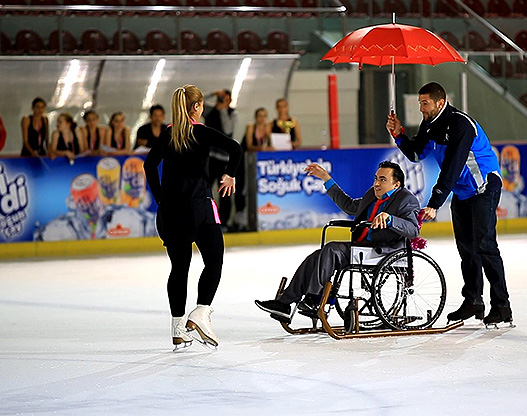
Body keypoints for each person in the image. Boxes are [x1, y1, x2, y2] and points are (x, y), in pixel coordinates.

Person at [386, 82, 513, 326]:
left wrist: (435, 202)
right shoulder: (429, 124)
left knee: (485, 245)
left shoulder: (460, 124)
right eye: (420, 103)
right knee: (466, 248)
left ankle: (502, 306)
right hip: (462, 191)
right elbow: (416, 154)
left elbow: (452, 167)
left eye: (425, 103)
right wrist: (399, 134)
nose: (421, 108)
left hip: (483, 186)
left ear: (440, 103)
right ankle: (473, 300)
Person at [255, 161, 419, 323]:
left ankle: (315, 298)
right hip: (362, 248)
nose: (376, 183)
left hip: (384, 250)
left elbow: (413, 229)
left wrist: (390, 219)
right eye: (376, 178)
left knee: (332, 249)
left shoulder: (406, 199)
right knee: (316, 256)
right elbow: (349, 206)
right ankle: (284, 304)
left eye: (382, 180)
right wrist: (326, 178)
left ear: (396, 184)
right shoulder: (373, 194)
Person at [144, 84, 242, 349]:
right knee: (214, 261)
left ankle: (178, 329)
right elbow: (235, 148)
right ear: (197, 107)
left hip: (170, 214)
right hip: (199, 210)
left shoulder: (167, 134)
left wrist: (161, 198)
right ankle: (201, 312)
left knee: (179, 268)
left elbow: (149, 165)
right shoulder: (200, 132)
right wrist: (230, 174)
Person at [204, 89, 239, 228]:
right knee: (205, 188)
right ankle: (205, 218)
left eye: (226, 98)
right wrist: (213, 94)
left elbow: (228, 129)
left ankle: (224, 221)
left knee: (225, 190)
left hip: (224, 159)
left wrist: (223, 109)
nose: (224, 100)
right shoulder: (210, 111)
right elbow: (195, 104)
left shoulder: (232, 113)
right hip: (209, 157)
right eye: (222, 98)